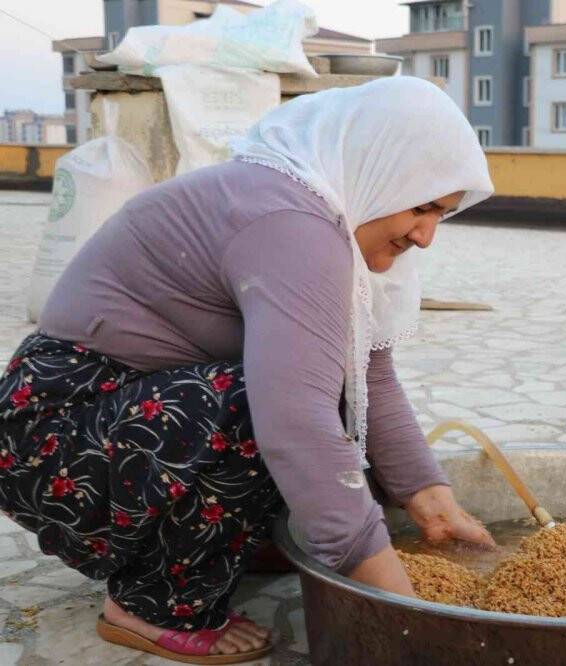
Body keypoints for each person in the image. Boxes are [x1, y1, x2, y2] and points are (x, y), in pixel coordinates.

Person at [0, 77, 496, 664]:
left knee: (323, 385)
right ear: (377, 169)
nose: (426, 236)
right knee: (268, 402)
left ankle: (234, 541)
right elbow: (296, 421)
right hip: (55, 436)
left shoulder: (326, 215)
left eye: (442, 213)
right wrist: (407, 612)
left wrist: (431, 501)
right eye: (420, 207)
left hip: (122, 421)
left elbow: (370, 378)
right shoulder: (292, 222)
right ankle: (152, 605)